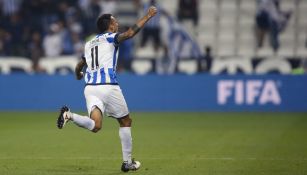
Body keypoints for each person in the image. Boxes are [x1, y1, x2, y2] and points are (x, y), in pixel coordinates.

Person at [56, 6, 157, 172]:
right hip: (108, 86)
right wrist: (148, 16)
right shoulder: (110, 38)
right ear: (110, 25)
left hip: (90, 88)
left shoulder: (89, 43)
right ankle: (127, 162)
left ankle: (70, 115)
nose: (117, 23)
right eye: (115, 21)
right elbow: (130, 33)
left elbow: (80, 65)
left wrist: (78, 75)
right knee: (125, 121)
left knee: (96, 125)